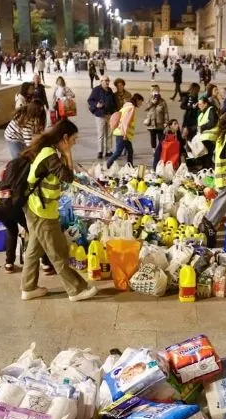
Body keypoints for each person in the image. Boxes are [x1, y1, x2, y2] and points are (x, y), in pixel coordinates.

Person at [20, 121, 99, 302]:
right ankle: (76, 290)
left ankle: (28, 287)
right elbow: (67, 178)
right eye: (73, 139)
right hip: (41, 211)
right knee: (58, 252)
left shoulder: (48, 151)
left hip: (37, 207)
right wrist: (67, 153)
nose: (75, 142)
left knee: (34, 248)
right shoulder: (50, 154)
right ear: (64, 138)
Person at [106, 93, 144, 168]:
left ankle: (130, 166)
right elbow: (125, 122)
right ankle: (108, 164)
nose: (141, 104)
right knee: (118, 152)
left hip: (122, 133)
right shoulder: (131, 108)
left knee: (130, 150)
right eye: (140, 102)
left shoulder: (126, 107)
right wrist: (125, 134)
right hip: (122, 133)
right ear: (137, 100)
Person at [88, 75, 118, 159]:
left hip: (109, 115)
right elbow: (90, 100)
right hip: (100, 115)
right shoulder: (96, 89)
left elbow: (113, 102)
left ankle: (108, 151)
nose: (107, 82)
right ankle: (100, 151)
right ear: (101, 81)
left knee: (109, 134)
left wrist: (115, 111)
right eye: (105, 80)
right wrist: (96, 104)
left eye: (108, 80)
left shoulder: (110, 90)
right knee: (101, 134)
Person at [194, 94, 220, 170]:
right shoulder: (202, 113)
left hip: (209, 137)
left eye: (200, 104)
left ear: (206, 104)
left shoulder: (211, 109)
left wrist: (202, 127)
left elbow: (212, 122)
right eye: (198, 104)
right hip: (203, 137)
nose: (199, 106)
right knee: (204, 156)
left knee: (207, 156)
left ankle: (207, 170)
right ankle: (205, 170)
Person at [143, 85, 168, 155]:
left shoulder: (163, 101)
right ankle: (154, 150)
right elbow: (145, 109)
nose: (155, 92)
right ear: (151, 92)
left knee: (161, 138)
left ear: (159, 91)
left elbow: (166, 112)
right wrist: (152, 103)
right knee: (153, 138)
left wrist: (166, 121)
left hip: (160, 123)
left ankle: (159, 149)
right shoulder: (149, 100)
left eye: (156, 90)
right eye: (153, 91)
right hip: (151, 123)